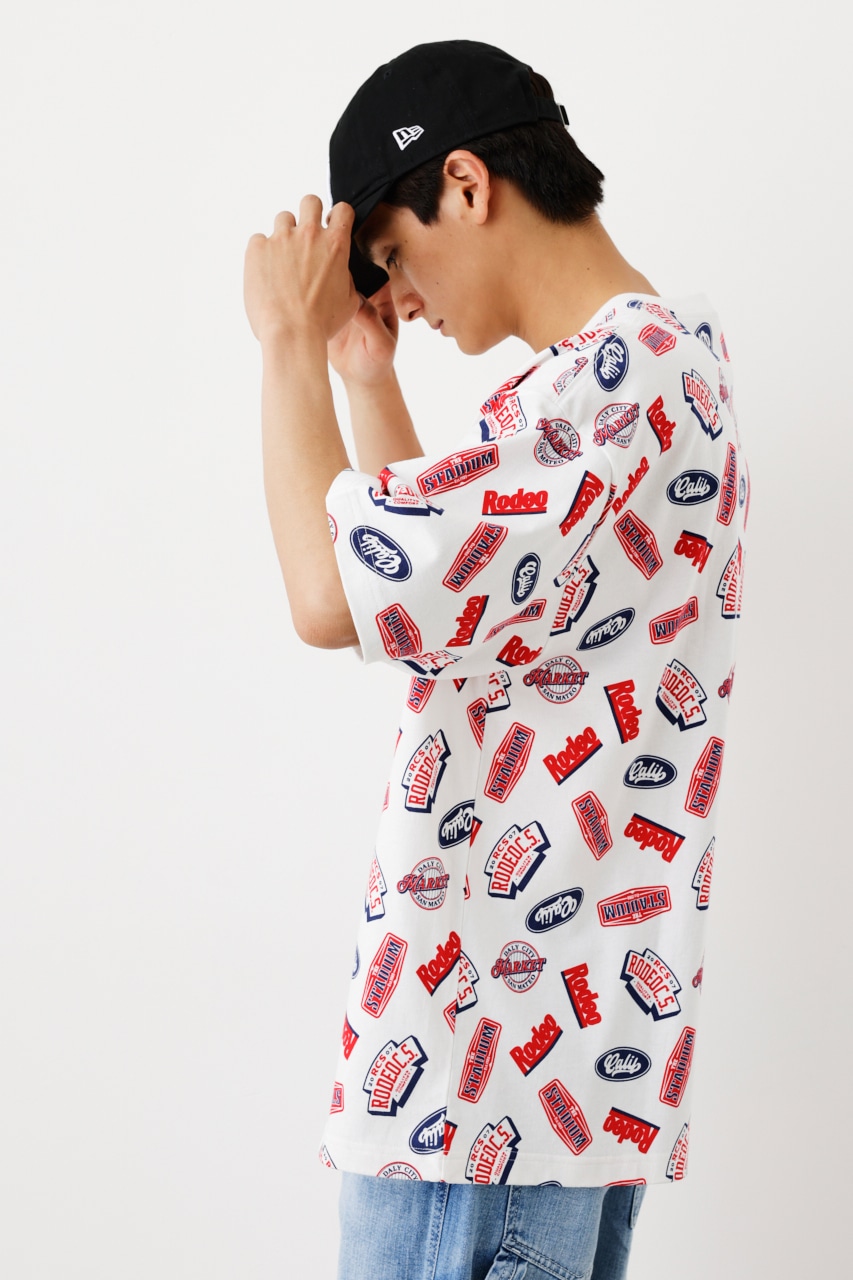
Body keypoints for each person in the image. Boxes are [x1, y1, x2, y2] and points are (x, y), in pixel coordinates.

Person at [243, 38, 748, 1280]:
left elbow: (328, 594)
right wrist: (363, 374)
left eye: (392, 256)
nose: (399, 299)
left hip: (479, 1106)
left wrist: (285, 345)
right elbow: (443, 618)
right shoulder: (644, 376)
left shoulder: (612, 387)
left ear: (463, 184)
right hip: (525, 1097)